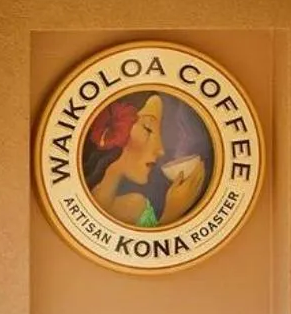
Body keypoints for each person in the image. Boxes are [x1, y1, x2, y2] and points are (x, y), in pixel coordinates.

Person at [83, 93, 206, 229]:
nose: (161, 150)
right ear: (111, 131)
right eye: (148, 129)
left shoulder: (137, 206)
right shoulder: (83, 203)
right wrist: (172, 213)